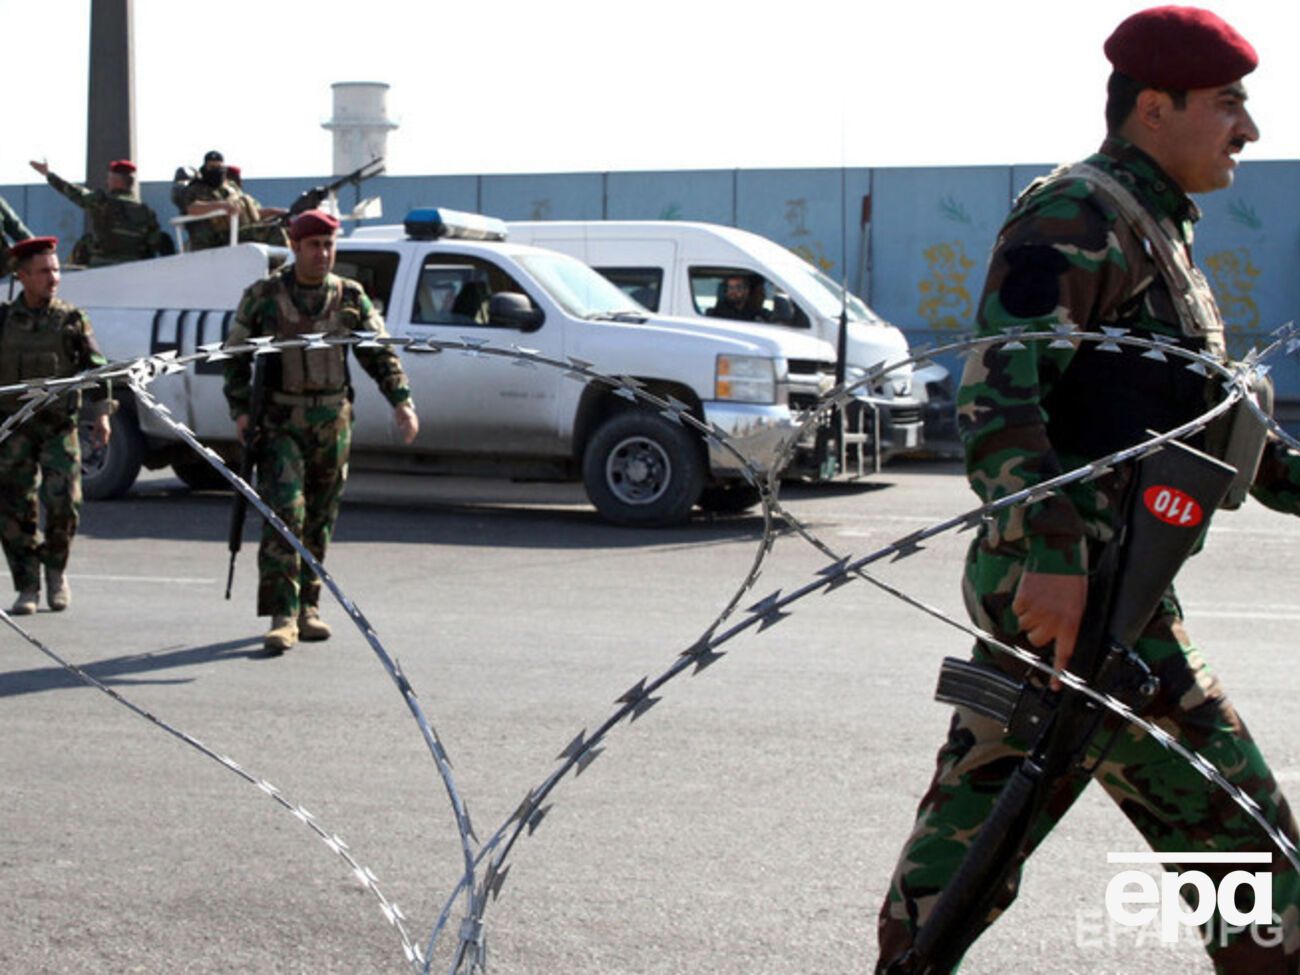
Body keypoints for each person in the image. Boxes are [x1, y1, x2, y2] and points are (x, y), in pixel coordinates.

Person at [875, 7, 1300, 972]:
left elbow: (1220, 432)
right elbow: (998, 394)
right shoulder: (1078, 216)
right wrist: (1055, 558)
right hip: (1083, 600)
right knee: (1247, 849)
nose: (1251, 128)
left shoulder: (1152, 232)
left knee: (970, 849)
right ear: (1156, 107)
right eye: (1231, 103)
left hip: (1104, 592)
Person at [222, 209, 418, 654]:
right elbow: (234, 355)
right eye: (315, 245)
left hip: (333, 421)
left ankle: (309, 606)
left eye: (329, 245)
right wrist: (240, 409)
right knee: (285, 512)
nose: (323, 254)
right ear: (295, 247)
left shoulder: (349, 296)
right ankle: (281, 614)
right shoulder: (265, 295)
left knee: (321, 517)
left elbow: (378, 354)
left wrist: (402, 402)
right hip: (281, 422)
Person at [0, 237, 112, 614]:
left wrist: (102, 413)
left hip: (57, 427)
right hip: (14, 429)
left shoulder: (70, 319)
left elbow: (96, 367)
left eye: (56, 270)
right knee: (15, 509)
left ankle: (55, 571)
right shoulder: (3, 320)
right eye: (45, 271)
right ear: (23, 276)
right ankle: (27, 585)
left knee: (65, 503)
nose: (53, 278)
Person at [29, 158, 170, 266]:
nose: (107, 183)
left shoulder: (102, 203)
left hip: (101, 266)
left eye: (109, 178)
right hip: (134, 268)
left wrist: (48, 174)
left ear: (116, 181)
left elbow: (72, 191)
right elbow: (155, 243)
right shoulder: (146, 213)